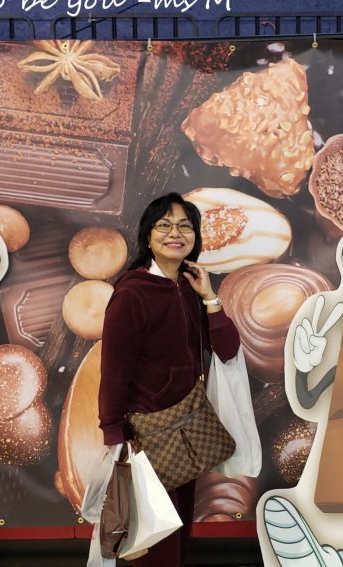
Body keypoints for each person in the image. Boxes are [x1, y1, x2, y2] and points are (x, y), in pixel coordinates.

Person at [98, 192, 240, 566]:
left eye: (185, 226)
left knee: (178, 538)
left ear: (195, 236)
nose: (175, 233)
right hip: (147, 435)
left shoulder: (190, 287)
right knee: (156, 544)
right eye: (164, 225)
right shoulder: (132, 293)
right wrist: (114, 434)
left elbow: (227, 349)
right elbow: (114, 369)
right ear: (148, 236)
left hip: (189, 428)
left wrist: (209, 297)